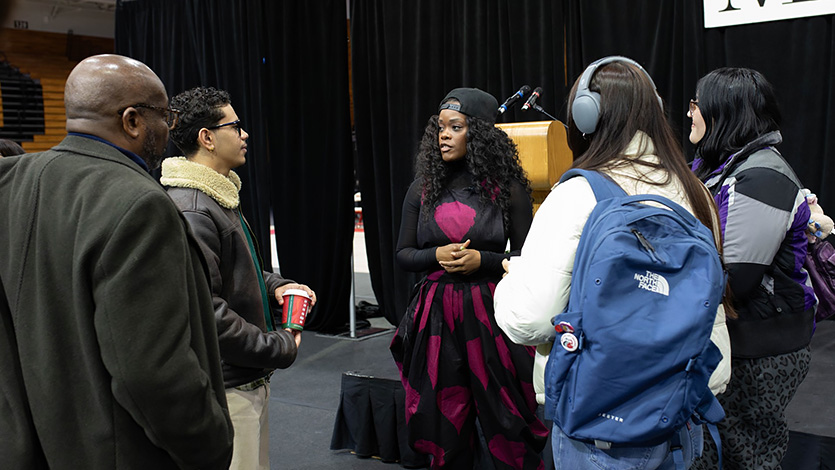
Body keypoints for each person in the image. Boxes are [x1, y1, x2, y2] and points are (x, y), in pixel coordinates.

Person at [493, 57, 731, 469]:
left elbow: (530, 320)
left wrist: (510, 284)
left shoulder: (576, 196)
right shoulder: (697, 194)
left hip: (600, 425)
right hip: (680, 412)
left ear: (586, 115)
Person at [0, 55, 233, 468]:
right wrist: (211, 444)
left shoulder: (14, 180)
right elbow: (152, 374)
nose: (170, 128)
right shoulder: (138, 202)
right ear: (132, 121)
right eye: (166, 116)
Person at [389, 87, 548, 469]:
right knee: (443, 416)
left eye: (455, 127)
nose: (443, 135)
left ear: (477, 133)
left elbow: (527, 257)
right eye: (439, 127)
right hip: (436, 316)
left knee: (507, 414)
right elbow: (403, 254)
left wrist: (486, 260)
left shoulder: (509, 190)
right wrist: (436, 256)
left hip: (492, 312)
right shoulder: (422, 189)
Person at [161, 86, 317, 470]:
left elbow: (236, 270)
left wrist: (277, 286)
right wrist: (277, 346)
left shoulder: (215, 196)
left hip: (241, 380)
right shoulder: (195, 207)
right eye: (236, 126)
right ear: (207, 138)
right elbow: (207, 312)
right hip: (227, 386)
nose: (245, 135)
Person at [687, 68, 813, 470]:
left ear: (725, 111)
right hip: (736, 340)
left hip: (758, 350)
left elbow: (735, 277)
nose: (688, 112)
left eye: (696, 103)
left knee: (747, 457)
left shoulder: (762, 175)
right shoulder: (718, 166)